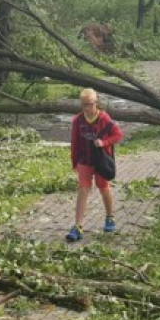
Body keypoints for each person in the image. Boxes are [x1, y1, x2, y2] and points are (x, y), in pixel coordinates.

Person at [66, 88, 123, 242]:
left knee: (103, 187)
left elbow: (118, 134)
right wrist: (74, 162)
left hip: (100, 161)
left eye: (90, 104)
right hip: (84, 161)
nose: (87, 108)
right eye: (84, 105)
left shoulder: (104, 118)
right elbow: (74, 141)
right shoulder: (77, 120)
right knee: (83, 189)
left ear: (96, 103)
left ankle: (110, 217)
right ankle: (78, 226)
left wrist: (104, 142)